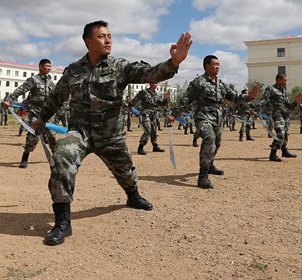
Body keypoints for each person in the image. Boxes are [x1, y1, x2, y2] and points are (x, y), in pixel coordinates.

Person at [31, 21, 192, 246]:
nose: (108, 40)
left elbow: (149, 74)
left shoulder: (119, 66)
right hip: (80, 132)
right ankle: (62, 222)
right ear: (88, 42)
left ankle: (133, 196)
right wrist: (41, 117)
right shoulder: (73, 70)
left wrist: (174, 62)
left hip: (110, 135)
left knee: (125, 172)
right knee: (61, 157)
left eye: (109, 36)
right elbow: (57, 97)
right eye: (102, 36)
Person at [171, 55, 258, 189]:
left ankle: (210, 165)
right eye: (215, 64)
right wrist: (174, 114)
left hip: (217, 116)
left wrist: (249, 97)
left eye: (218, 64)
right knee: (209, 138)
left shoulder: (221, 83)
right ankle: (203, 176)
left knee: (217, 143)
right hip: (203, 115)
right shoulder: (198, 82)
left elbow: (234, 96)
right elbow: (186, 99)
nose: (217, 67)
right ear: (207, 66)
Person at [4, 59, 57, 169]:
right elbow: (21, 90)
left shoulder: (50, 81)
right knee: (34, 135)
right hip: (34, 113)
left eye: (50, 66)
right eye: (47, 66)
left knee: (52, 134)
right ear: (40, 66)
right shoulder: (33, 80)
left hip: (46, 114)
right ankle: (25, 156)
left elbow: (54, 96)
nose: (49, 68)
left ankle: (56, 157)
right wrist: (9, 100)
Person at [259, 72, 302, 162]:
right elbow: (263, 100)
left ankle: (284, 151)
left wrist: (296, 102)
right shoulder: (271, 89)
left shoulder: (283, 90)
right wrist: (256, 109)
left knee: (285, 133)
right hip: (276, 114)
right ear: (279, 79)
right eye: (285, 80)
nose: (286, 82)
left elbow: (289, 105)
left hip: (284, 114)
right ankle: (273, 154)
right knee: (280, 133)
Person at [130, 83, 165, 155]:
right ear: (151, 83)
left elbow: (161, 103)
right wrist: (130, 106)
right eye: (155, 83)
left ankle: (155, 146)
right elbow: (135, 99)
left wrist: (166, 99)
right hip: (145, 113)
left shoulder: (156, 94)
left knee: (154, 130)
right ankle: (140, 147)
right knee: (148, 130)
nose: (156, 85)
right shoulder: (144, 92)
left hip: (153, 114)